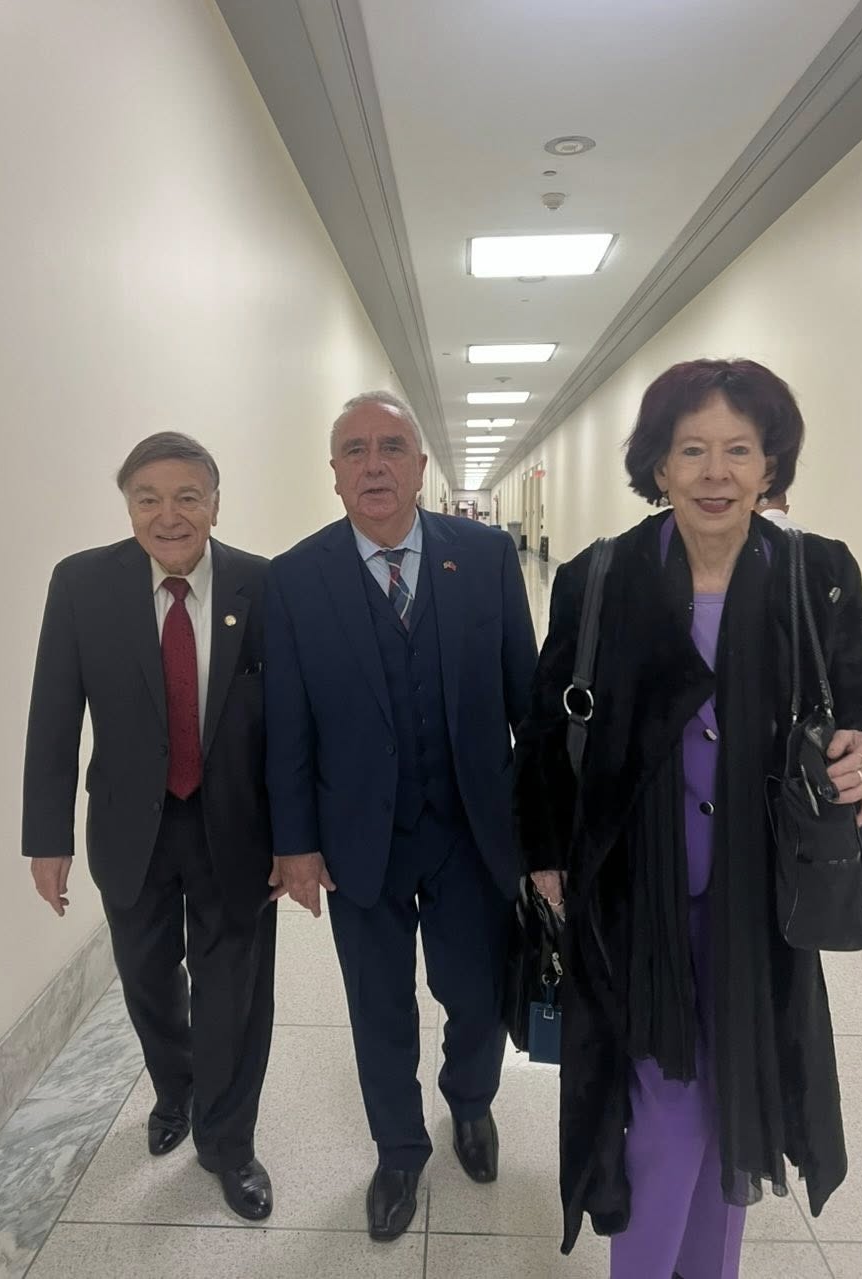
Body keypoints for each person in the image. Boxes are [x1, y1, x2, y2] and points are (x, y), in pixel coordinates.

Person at [513, 359, 862, 1278]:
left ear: (770, 465)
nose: (716, 473)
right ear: (659, 465)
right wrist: (545, 853)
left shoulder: (813, 572)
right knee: (665, 1105)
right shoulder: (602, 576)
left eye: (739, 450)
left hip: (762, 897)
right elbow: (547, 726)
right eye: (692, 450)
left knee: (735, 1095)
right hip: (633, 893)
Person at [265, 391, 538, 1241]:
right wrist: (295, 844)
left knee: (476, 993)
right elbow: (287, 726)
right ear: (335, 473)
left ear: (422, 467)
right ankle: (397, 1147)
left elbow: (528, 702)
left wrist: (543, 836)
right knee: (378, 1004)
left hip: (471, 830)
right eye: (355, 450)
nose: (374, 464)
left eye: (391, 447)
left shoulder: (485, 557)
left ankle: (471, 1102)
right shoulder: (294, 578)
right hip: (359, 838)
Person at [23, 433, 276, 1221]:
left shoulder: (262, 584)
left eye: (187, 497)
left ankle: (229, 1142)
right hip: (132, 825)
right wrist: (47, 838)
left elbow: (293, 723)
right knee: (147, 979)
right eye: (148, 499)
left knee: (235, 991)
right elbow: (54, 713)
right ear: (129, 507)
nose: (169, 516)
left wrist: (297, 838)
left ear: (215, 504)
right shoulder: (81, 585)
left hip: (237, 826)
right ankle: (177, 1087)